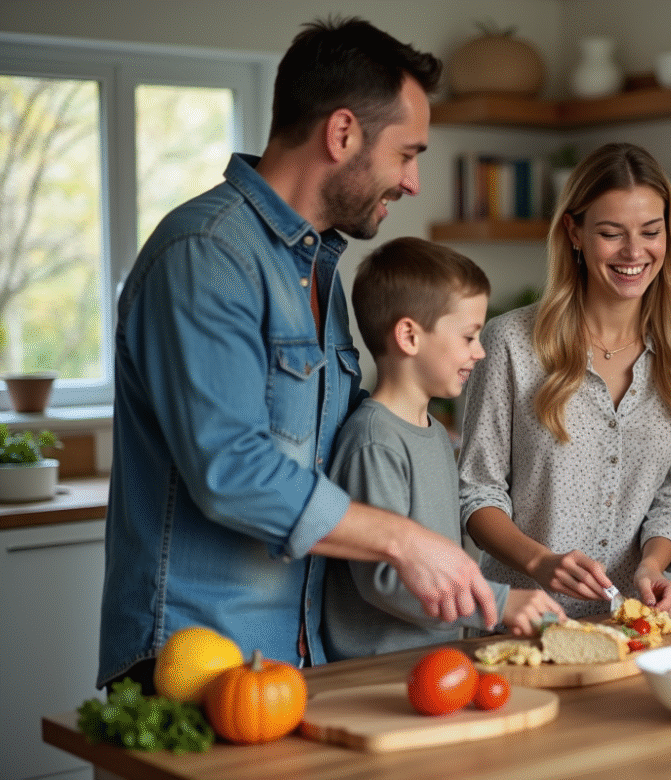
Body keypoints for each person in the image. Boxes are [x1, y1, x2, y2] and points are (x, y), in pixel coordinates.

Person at [99, 17, 498, 691]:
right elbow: (231, 468)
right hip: (197, 663)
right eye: (406, 154)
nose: (413, 182)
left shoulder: (319, 274)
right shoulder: (207, 254)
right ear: (342, 134)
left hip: (297, 658)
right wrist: (403, 540)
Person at [459, 142, 671, 619]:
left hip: (632, 630)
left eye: (650, 231)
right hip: (522, 627)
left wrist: (652, 566)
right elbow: (478, 493)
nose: (634, 252)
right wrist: (539, 561)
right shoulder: (510, 343)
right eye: (611, 233)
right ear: (574, 232)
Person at [321, 238, 565, 660]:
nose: (480, 351)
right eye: (470, 336)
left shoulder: (435, 433)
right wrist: (500, 604)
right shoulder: (374, 442)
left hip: (435, 658)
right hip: (378, 672)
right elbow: (387, 579)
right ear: (409, 336)